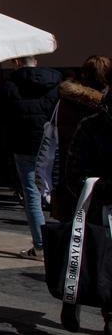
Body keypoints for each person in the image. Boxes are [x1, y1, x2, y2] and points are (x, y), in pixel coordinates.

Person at [57, 91, 112, 335]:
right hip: (95, 205)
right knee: (87, 257)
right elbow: (74, 170)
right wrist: (99, 187)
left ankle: (109, 316)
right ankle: (71, 301)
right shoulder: (91, 126)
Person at [0, 56, 61, 259]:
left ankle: (41, 245)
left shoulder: (9, 85)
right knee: (55, 191)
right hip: (50, 143)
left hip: (23, 144)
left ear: (17, 63)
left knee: (32, 195)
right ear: (36, 62)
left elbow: (1, 116)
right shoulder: (54, 83)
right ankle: (61, 242)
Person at [48, 56, 110, 221]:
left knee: (77, 236)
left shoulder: (65, 102)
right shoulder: (100, 112)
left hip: (71, 180)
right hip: (97, 189)